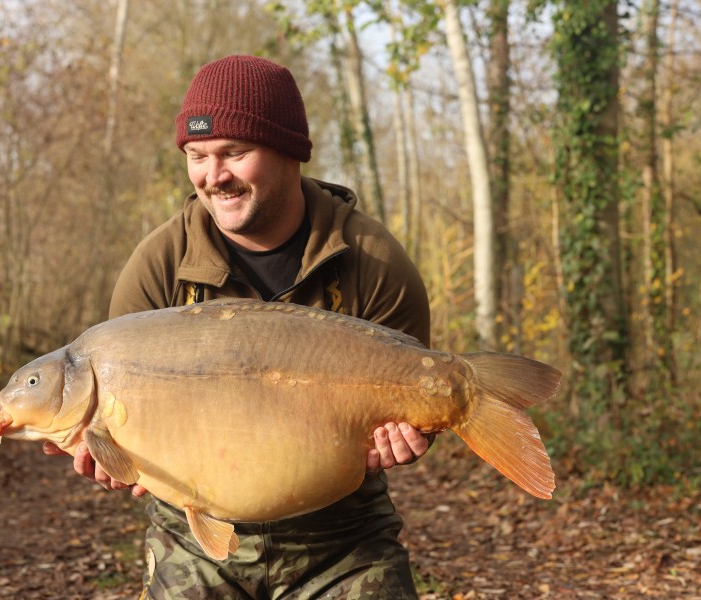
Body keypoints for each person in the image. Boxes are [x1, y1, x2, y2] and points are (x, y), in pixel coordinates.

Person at [44, 55, 434, 599]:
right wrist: (115, 457)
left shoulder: (372, 259)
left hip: (343, 537)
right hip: (194, 540)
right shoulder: (158, 265)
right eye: (197, 156)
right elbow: (121, 424)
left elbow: (417, 405)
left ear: (290, 151)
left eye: (235, 152)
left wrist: (412, 435)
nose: (214, 175)